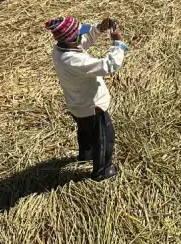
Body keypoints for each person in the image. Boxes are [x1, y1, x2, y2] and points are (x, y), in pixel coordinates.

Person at [46, 16, 126, 181]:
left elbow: (81, 42)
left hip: (77, 104)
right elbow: (108, 66)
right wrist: (117, 43)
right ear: (72, 38)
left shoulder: (60, 49)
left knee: (85, 131)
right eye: (79, 32)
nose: (81, 35)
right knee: (103, 136)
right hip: (93, 106)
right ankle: (102, 171)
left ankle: (86, 154)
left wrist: (98, 29)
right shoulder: (75, 60)